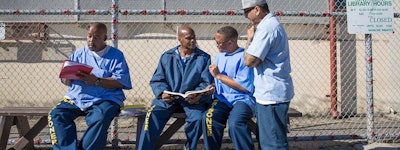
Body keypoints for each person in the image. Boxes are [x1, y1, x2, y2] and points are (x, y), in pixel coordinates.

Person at [48, 22, 132, 150]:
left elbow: (121, 81)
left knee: (100, 117)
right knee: (57, 114)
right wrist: (66, 76)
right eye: (89, 36)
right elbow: (66, 82)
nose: (91, 40)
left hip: (105, 99)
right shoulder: (78, 54)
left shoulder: (116, 56)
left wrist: (97, 81)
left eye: (96, 37)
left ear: (104, 38)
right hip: (77, 97)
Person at [137, 25, 214, 150]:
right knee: (152, 115)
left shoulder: (204, 58)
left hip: (192, 101)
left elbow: (206, 82)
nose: (193, 41)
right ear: (179, 39)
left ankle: (189, 147)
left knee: (198, 118)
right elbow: (157, 79)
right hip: (169, 100)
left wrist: (197, 95)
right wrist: (162, 93)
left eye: (194, 37)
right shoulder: (167, 56)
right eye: (188, 38)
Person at [241, 0, 295, 149]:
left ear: (257, 9)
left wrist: (250, 39)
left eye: (246, 12)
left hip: (271, 94)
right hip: (272, 92)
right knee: (270, 140)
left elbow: (250, 60)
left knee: (273, 144)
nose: (246, 16)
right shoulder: (271, 25)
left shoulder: (266, 28)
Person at [202, 26, 255, 150]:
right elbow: (218, 81)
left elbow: (244, 87)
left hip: (243, 99)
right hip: (222, 99)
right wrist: (213, 86)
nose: (217, 46)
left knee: (235, 123)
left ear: (231, 42)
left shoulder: (244, 57)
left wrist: (219, 76)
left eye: (219, 43)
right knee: (208, 118)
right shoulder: (220, 56)